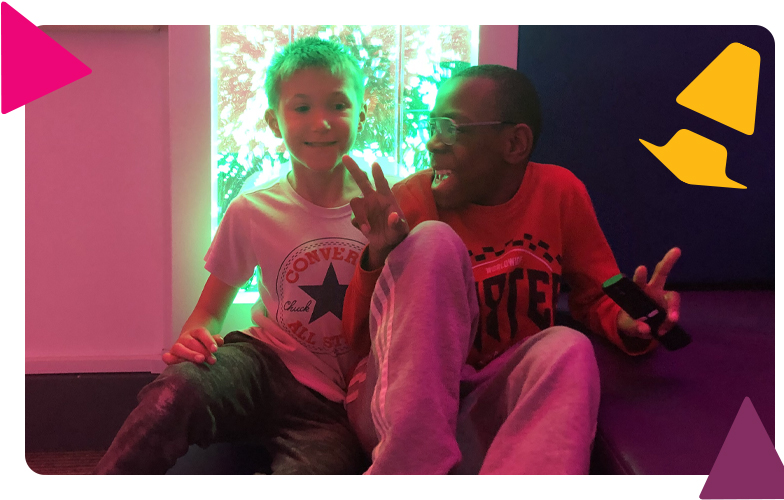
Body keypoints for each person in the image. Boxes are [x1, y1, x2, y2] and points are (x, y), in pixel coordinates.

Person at [340, 64, 683, 474]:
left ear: (515, 143)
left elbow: (595, 297)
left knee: (568, 347)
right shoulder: (410, 204)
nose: (432, 143)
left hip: (485, 412)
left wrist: (627, 320)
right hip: (397, 414)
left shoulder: (559, 194)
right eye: (432, 126)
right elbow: (357, 340)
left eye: (451, 128)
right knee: (432, 240)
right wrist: (376, 258)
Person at [94, 37, 376, 474]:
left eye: (337, 105)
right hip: (261, 366)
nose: (320, 123)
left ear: (361, 112)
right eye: (301, 107)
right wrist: (194, 338)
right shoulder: (253, 209)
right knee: (175, 391)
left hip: (334, 404)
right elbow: (208, 311)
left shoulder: (386, 207)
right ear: (275, 121)